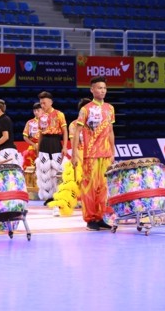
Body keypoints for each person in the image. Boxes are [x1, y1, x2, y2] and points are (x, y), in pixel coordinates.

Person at [71, 77, 114, 231]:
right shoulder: (86, 109)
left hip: (106, 154)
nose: (102, 90)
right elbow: (77, 132)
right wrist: (74, 154)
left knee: (103, 187)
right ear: (92, 90)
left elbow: (110, 131)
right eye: (99, 88)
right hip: (90, 154)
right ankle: (90, 219)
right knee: (89, 187)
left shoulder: (110, 108)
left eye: (104, 88)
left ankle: (101, 217)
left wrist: (113, 151)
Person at [47, 98, 91, 216]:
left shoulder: (95, 125)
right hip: (79, 155)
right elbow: (73, 143)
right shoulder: (74, 125)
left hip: (93, 156)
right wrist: (76, 158)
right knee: (71, 182)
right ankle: (59, 206)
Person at [35, 91, 68, 217]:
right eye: (41, 103)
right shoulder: (41, 116)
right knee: (45, 173)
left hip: (55, 143)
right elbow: (41, 134)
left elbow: (64, 131)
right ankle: (50, 199)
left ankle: (58, 202)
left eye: (44, 103)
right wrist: (38, 148)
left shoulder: (59, 114)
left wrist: (64, 147)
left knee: (56, 173)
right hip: (44, 145)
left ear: (51, 102)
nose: (42, 105)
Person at [0, 99, 22, 166]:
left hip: (7, 151)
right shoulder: (4, 119)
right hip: (9, 150)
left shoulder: (3, 120)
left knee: (4, 173)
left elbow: (5, 137)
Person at [22, 102, 43, 169]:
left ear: (42, 110)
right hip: (33, 147)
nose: (36, 112)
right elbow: (25, 137)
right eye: (34, 111)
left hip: (44, 147)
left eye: (38, 110)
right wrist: (33, 144)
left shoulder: (47, 121)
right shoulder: (30, 122)